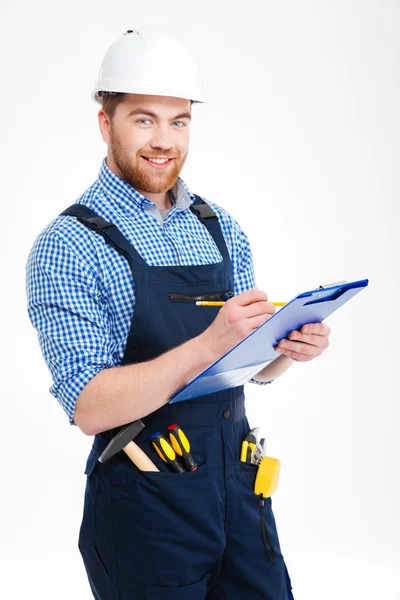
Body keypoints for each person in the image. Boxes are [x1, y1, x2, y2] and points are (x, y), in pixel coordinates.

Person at [26, 25, 330, 600]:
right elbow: (89, 406)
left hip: (240, 495)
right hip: (146, 508)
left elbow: (249, 364)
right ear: (105, 123)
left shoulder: (218, 227)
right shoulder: (69, 244)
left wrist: (286, 347)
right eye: (143, 119)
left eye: (179, 120)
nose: (164, 139)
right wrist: (207, 344)